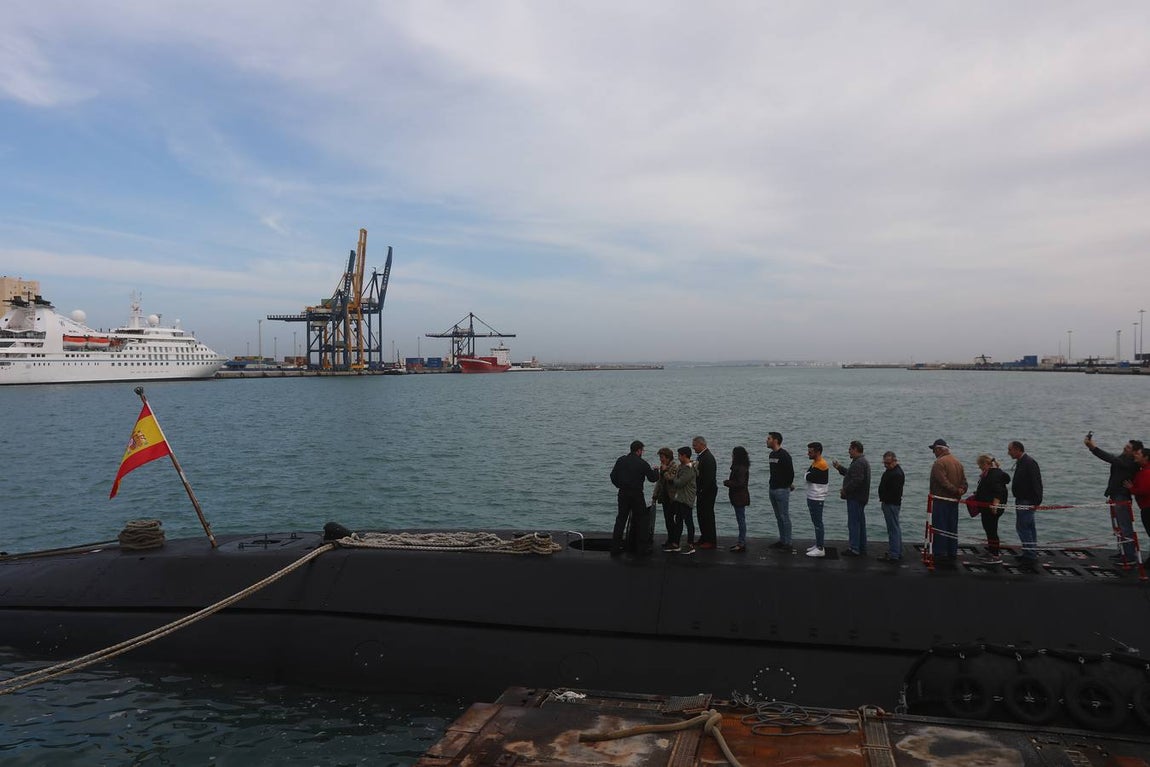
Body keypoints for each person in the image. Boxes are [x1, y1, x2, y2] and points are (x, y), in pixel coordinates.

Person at [1084, 435, 1143, 562]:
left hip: (1122, 497)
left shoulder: (1130, 463)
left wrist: (1093, 448)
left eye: (1128, 448)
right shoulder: (1123, 458)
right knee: (1118, 527)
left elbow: (1110, 458)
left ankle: (1129, 556)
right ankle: (1122, 552)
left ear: (1134, 452)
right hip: (1116, 495)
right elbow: (1110, 457)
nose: (1124, 448)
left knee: (1125, 526)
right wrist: (1092, 449)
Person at [609, 440, 659, 556]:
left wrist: (619, 485)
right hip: (636, 494)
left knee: (621, 519)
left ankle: (615, 547)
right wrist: (657, 470)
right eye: (642, 450)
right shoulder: (642, 463)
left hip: (623, 493)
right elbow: (652, 478)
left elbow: (613, 476)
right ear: (639, 450)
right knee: (642, 519)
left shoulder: (621, 460)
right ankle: (641, 548)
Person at [928, 439, 967, 563]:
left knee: (940, 526)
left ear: (940, 449)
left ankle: (940, 552)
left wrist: (955, 490)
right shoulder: (958, 462)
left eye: (934, 450)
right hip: (954, 501)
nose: (934, 452)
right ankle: (952, 551)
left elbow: (942, 482)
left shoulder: (939, 463)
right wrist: (961, 490)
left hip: (941, 500)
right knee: (952, 527)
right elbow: (964, 482)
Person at [832, 440, 871, 557]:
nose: (848, 451)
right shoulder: (861, 461)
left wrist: (845, 490)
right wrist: (839, 468)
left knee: (853, 523)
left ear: (855, 449)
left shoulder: (858, 463)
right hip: (861, 498)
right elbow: (851, 474)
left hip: (856, 498)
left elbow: (856, 480)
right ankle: (861, 547)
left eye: (850, 449)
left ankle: (854, 548)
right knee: (860, 524)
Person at [970, 454, 1010, 564]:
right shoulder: (990, 473)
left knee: (992, 530)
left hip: (992, 508)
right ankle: (991, 551)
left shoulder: (993, 475)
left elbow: (998, 491)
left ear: (986, 464)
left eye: (980, 465)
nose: (979, 468)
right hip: (986, 507)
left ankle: (995, 555)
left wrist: (995, 505)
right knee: (989, 529)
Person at [1008, 440, 1043, 567]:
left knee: (1023, 527)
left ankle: (1030, 555)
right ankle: (1029, 552)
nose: (1008, 453)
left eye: (1010, 450)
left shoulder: (1029, 463)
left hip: (1027, 500)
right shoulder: (1023, 462)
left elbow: (1036, 482)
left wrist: (1036, 501)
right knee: (1029, 527)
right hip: (1023, 499)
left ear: (1017, 449)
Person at [766, 431, 795, 551]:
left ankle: (788, 543)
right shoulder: (771, 454)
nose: (766, 440)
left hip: (781, 490)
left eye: (769, 439)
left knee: (784, 516)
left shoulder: (784, 455)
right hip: (772, 489)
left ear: (775, 441)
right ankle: (782, 540)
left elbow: (790, 473)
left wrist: (787, 485)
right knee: (778, 517)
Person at [669, 446, 698, 554]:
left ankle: (690, 545)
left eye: (679, 455)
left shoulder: (689, 469)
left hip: (686, 499)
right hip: (680, 498)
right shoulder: (683, 466)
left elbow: (679, 482)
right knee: (679, 521)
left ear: (684, 455)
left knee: (688, 521)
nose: (678, 457)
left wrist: (673, 478)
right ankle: (676, 544)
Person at [877, 451, 904, 562]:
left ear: (894, 461)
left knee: (893, 529)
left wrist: (884, 499)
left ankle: (894, 554)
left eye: (888, 463)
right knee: (895, 528)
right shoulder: (893, 471)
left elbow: (894, 492)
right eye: (885, 463)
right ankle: (897, 551)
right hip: (891, 503)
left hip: (891, 504)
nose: (886, 465)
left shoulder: (896, 474)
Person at [804, 442, 830, 557]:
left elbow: (808, 476)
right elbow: (808, 475)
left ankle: (820, 547)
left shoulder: (822, 464)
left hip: (817, 497)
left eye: (810, 452)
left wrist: (806, 475)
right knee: (816, 522)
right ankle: (818, 543)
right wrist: (807, 475)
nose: (808, 453)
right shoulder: (815, 463)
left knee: (818, 522)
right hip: (812, 495)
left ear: (817, 452)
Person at [692, 436, 718, 550]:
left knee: (707, 515)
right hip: (703, 491)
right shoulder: (702, 456)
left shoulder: (708, 458)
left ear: (702, 444)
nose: (693, 448)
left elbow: (709, 478)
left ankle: (711, 540)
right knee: (701, 515)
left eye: (695, 445)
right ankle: (704, 537)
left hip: (707, 491)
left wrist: (701, 490)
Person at [724, 446, 751, 552]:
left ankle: (741, 542)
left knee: (741, 519)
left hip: (739, 497)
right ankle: (741, 541)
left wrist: (728, 483)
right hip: (740, 496)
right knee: (741, 518)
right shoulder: (742, 467)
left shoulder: (740, 468)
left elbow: (740, 483)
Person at [651, 447, 679, 550]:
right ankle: (670, 539)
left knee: (672, 520)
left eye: (662, 457)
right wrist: (655, 495)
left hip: (673, 497)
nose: (660, 459)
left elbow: (671, 479)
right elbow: (659, 482)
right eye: (660, 457)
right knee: (668, 519)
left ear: (668, 457)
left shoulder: (675, 466)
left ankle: (675, 540)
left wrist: (664, 471)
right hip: (664, 497)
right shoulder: (663, 466)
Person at [1125, 446, 1150, 552]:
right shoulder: (1143, 470)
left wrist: (1132, 489)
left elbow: (1144, 490)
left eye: (1138, 454)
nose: (1135, 455)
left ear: (1146, 457)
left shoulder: (1147, 472)